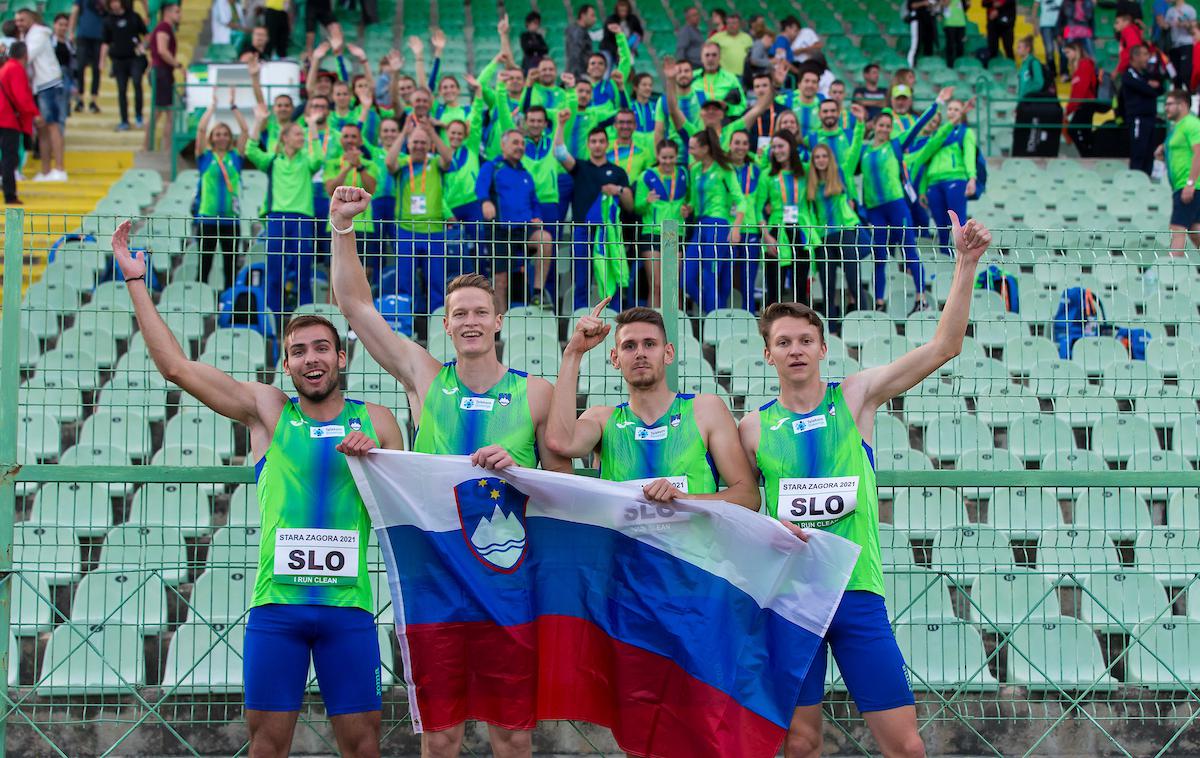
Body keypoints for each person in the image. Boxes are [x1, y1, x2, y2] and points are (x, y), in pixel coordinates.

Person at [111, 219, 403, 758]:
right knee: (267, 746)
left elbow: (403, 509)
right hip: (278, 610)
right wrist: (135, 281)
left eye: (322, 348)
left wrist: (378, 461)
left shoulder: (379, 420)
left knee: (363, 746)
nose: (311, 358)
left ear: (343, 358)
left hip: (350, 610)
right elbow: (175, 367)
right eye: (299, 351)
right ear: (286, 363)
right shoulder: (269, 412)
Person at [328, 184, 573, 758]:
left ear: (497, 322)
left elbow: (563, 479)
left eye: (479, 312)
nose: (469, 320)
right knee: (441, 735)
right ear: (445, 322)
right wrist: (342, 229)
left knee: (512, 733)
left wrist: (520, 471)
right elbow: (357, 308)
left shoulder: (534, 394)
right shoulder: (424, 378)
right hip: (435, 582)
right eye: (458, 312)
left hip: (511, 584)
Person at [738, 212, 992, 758]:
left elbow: (944, 347)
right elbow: (741, 506)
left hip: (856, 590)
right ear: (769, 354)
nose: (796, 349)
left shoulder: (854, 397)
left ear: (822, 348)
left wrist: (965, 264)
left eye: (806, 339)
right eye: (784, 342)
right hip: (792, 597)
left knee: (905, 747)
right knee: (801, 743)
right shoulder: (752, 427)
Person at [546, 304, 760, 509]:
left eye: (649, 344)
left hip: (689, 547)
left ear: (668, 353)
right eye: (629, 346)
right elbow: (560, 442)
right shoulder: (602, 420)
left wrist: (687, 500)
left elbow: (748, 496)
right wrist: (573, 353)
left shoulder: (705, 410)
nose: (640, 353)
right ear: (615, 358)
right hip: (625, 547)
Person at [859, 89, 950, 311]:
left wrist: (937, 103)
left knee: (909, 248)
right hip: (875, 209)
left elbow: (918, 125)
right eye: (881, 125)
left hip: (896, 204)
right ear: (874, 126)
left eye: (888, 126)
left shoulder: (895, 144)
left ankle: (921, 298)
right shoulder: (863, 149)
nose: (884, 129)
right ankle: (879, 302)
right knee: (879, 255)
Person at [244, 103, 325, 315]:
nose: (302, 137)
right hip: (277, 217)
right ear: (285, 138)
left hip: (302, 218)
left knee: (303, 269)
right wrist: (259, 121)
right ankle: (273, 314)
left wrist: (312, 125)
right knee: (274, 270)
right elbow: (250, 150)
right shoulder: (273, 161)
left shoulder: (306, 161)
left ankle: (306, 314)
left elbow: (319, 158)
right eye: (298, 134)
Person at [553, 113, 635, 311]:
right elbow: (559, 152)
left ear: (607, 144)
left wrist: (618, 190)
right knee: (581, 279)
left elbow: (630, 205)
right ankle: (580, 320)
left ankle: (614, 319)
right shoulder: (580, 167)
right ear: (588, 145)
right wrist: (561, 124)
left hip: (609, 233)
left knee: (611, 277)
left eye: (601, 141)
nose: (597, 145)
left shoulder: (617, 172)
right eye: (593, 141)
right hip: (582, 229)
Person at [385, 119, 459, 311]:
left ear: (429, 146)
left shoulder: (435, 163)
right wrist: (403, 134)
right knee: (404, 281)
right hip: (406, 230)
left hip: (433, 230)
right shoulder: (402, 163)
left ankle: (435, 324)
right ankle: (407, 323)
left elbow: (448, 159)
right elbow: (388, 162)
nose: (418, 146)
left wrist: (432, 133)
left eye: (422, 143)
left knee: (436, 281)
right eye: (414, 142)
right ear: (408, 145)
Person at [477, 128, 553, 311]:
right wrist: (486, 202)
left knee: (545, 239)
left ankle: (537, 292)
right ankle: (500, 327)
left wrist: (538, 217)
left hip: (523, 230)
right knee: (500, 281)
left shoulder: (526, 174)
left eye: (522, 143)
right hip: (500, 230)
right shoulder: (492, 167)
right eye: (515, 143)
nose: (519, 147)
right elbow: (481, 187)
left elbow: (534, 201)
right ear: (503, 145)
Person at [682, 126, 744, 315]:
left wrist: (736, 228)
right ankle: (716, 314)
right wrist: (688, 208)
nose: (689, 152)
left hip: (718, 225)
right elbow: (692, 200)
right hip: (700, 226)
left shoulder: (725, 169)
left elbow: (741, 200)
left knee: (712, 278)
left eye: (692, 148)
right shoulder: (695, 170)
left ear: (705, 148)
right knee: (686, 279)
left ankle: (714, 324)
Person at [194, 87, 250, 288]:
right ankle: (201, 301)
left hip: (231, 220)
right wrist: (212, 108)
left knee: (230, 266)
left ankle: (228, 304)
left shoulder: (235, 157)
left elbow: (245, 131)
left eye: (225, 133)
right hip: (207, 218)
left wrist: (233, 107)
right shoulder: (205, 158)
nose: (222, 137)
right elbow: (200, 130)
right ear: (212, 137)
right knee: (205, 264)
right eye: (217, 134)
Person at [757, 130, 817, 307]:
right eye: (774, 147)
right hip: (777, 233)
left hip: (801, 232)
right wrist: (766, 236)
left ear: (791, 147)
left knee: (800, 292)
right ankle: (769, 332)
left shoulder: (805, 171)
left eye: (781, 146)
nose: (777, 150)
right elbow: (757, 208)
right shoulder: (767, 174)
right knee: (774, 291)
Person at [806, 143, 864, 326]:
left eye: (824, 156)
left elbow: (854, 151)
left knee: (854, 281)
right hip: (823, 238)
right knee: (827, 286)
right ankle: (831, 328)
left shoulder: (841, 174)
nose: (821, 160)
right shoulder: (810, 183)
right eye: (817, 157)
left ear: (830, 158)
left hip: (844, 233)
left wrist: (861, 125)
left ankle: (865, 321)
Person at [632, 139, 689, 307]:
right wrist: (647, 201)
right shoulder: (646, 176)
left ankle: (676, 329)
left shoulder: (683, 173)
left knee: (672, 286)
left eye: (671, 157)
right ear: (658, 156)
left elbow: (690, 200)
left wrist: (688, 209)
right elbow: (637, 207)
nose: (668, 161)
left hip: (675, 233)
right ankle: (654, 326)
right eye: (664, 157)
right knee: (656, 285)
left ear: (676, 156)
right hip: (652, 234)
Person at [921, 97, 978, 257]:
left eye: (956, 109)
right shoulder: (939, 133)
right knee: (940, 225)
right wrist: (923, 189)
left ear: (962, 113)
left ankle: (961, 259)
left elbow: (969, 156)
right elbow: (926, 159)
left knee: (957, 224)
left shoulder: (965, 132)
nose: (952, 112)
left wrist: (972, 178)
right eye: (950, 109)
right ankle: (944, 259)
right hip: (933, 183)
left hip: (955, 179)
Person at [16, 9, 67, 182]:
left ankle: (59, 169)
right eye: (16, 21)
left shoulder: (38, 34)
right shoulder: (28, 36)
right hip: (39, 86)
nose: (19, 24)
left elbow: (25, 57)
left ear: (31, 19)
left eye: (22, 20)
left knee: (53, 126)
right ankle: (46, 171)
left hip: (49, 84)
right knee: (42, 129)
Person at [1159, 89, 1200, 255]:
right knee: (1195, 229)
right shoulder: (1178, 127)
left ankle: (1171, 274)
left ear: (1182, 105)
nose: (1165, 108)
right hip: (1184, 185)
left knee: (1177, 228)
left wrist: (1190, 183)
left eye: (1169, 104)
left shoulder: (1191, 123)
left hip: (1190, 185)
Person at [0, 42, 40, 205]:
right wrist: (35, 114)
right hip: (8, 119)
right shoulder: (15, 69)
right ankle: (10, 195)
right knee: (10, 157)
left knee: (7, 157)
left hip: (3, 116)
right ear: (26, 55)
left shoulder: (6, 68)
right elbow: (21, 97)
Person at [99, 0, 147, 132]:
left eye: (117, 1)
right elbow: (105, 43)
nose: (114, 4)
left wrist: (143, 46)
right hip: (118, 60)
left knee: (137, 83)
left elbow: (146, 34)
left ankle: (139, 116)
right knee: (121, 90)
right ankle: (124, 120)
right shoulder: (108, 21)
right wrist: (102, 61)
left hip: (135, 58)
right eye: (112, 2)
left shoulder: (133, 17)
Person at [1122, 43, 1166, 175]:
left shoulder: (1145, 74)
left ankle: (1145, 183)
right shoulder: (1129, 74)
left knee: (1148, 153)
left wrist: (1151, 86)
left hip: (1150, 118)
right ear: (1136, 57)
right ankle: (1135, 183)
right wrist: (1150, 86)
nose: (1148, 58)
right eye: (1145, 54)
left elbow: (1160, 89)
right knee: (1139, 152)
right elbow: (1149, 90)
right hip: (1138, 119)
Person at [147, 2, 182, 152]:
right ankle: (163, 148)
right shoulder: (164, 28)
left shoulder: (166, 28)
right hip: (161, 72)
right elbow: (162, 50)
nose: (180, 15)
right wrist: (178, 65)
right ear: (167, 12)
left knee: (164, 112)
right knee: (166, 112)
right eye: (177, 12)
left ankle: (157, 147)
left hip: (162, 72)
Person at [1064, 41, 1103, 155]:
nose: (1066, 55)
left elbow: (1080, 91)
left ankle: (1087, 155)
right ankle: (1090, 154)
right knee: (1085, 132)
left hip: (1085, 104)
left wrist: (1068, 109)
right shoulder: (1082, 66)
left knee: (1073, 130)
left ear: (1076, 51)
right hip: (1084, 104)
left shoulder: (1084, 64)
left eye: (1068, 52)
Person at [67, 0, 103, 113]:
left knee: (96, 69)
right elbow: (75, 12)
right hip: (83, 35)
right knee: (80, 67)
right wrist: (71, 31)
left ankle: (93, 100)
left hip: (99, 36)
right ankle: (80, 99)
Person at [1164, 0, 1196, 88]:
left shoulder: (1189, 9)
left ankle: (1190, 94)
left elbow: (1194, 27)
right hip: (1174, 45)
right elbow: (1165, 26)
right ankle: (1178, 96)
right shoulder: (1170, 11)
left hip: (1186, 44)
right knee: (1175, 75)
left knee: (1185, 73)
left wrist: (1184, 24)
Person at [711, 12, 753, 77]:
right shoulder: (717, 37)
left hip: (743, 75)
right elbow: (706, 49)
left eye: (734, 23)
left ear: (739, 24)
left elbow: (751, 55)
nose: (731, 25)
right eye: (729, 23)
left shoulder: (747, 37)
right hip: (725, 76)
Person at [1035, 0, 1066, 78]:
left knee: (1063, 50)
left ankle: (1064, 72)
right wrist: (1035, 24)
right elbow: (1035, 7)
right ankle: (1051, 72)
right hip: (1045, 25)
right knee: (1049, 50)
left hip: (1060, 25)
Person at [565, 4, 595, 78]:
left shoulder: (582, 31)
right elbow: (574, 54)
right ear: (583, 16)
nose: (595, 19)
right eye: (592, 15)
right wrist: (576, 76)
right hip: (579, 74)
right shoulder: (577, 31)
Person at [906, 0, 937, 66]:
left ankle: (928, 67)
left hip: (929, 21)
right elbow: (911, 5)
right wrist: (924, 3)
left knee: (929, 46)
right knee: (915, 45)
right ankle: (910, 66)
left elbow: (935, 7)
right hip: (917, 20)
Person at [942, 0, 968, 67]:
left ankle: (960, 65)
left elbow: (965, 7)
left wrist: (967, 3)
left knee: (960, 46)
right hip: (949, 23)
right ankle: (950, 66)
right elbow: (944, 4)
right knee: (950, 46)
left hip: (961, 23)